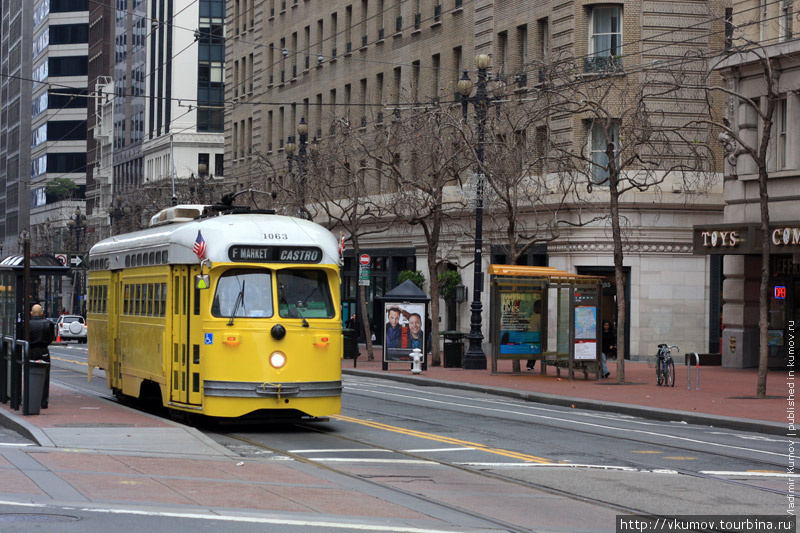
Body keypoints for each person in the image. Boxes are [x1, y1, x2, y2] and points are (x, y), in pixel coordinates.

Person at [28, 304, 55, 409]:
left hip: (30, 350)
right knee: (45, 376)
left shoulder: (27, 324)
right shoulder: (48, 324)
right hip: (43, 350)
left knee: (29, 374)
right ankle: (43, 401)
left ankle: (29, 397)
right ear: (42, 313)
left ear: (31, 313)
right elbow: (51, 338)